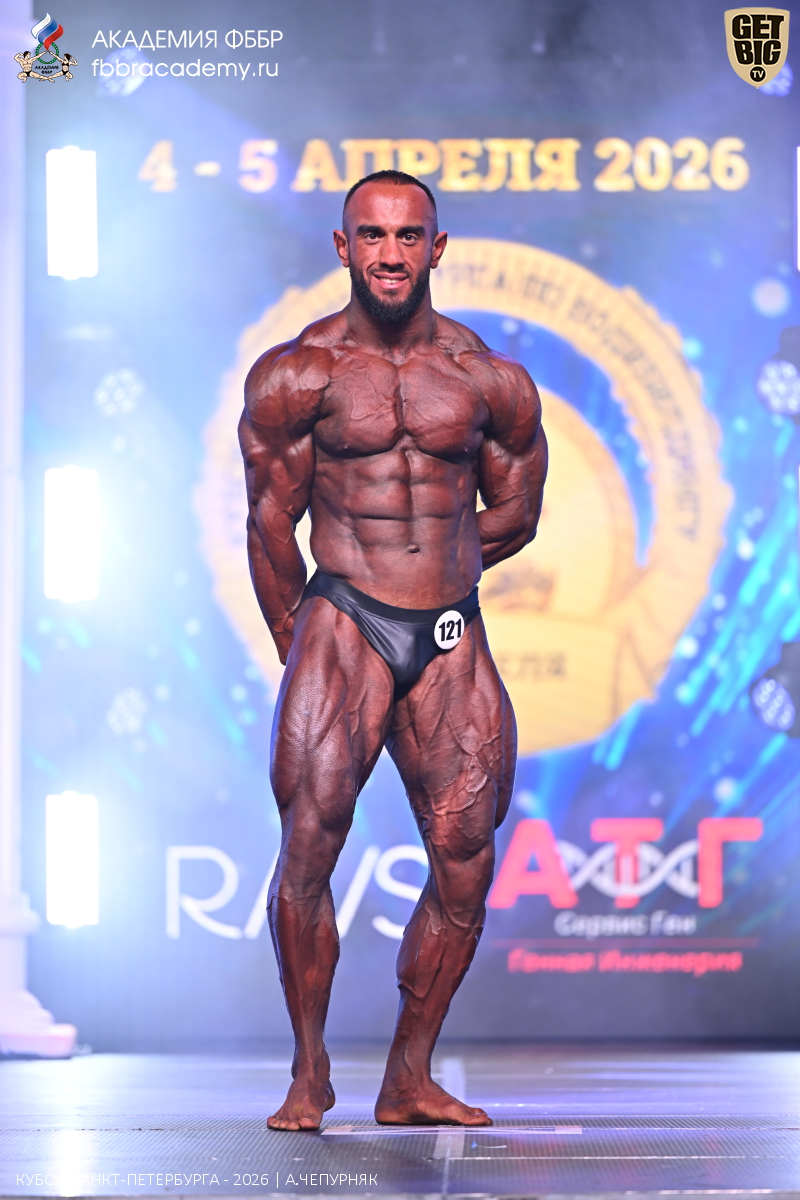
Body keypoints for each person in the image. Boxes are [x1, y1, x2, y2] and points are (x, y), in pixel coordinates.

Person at [238, 169, 547, 1130]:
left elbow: (518, 512)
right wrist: (301, 636)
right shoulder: (299, 374)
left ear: (436, 248)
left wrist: (437, 561)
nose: (389, 252)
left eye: (409, 235)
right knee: (308, 845)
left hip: (449, 626)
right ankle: (309, 1071)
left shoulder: (488, 379)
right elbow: (269, 520)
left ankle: (408, 1076)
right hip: (342, 618)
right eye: (371, 235)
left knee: (466, 859)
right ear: (344, 247)